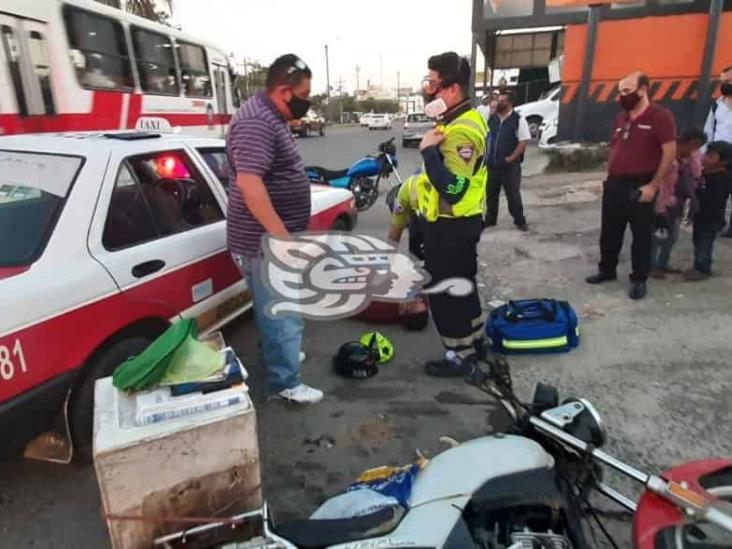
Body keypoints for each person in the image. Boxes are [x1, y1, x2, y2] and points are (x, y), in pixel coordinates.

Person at [225, 54, 322, 404]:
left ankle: (281, 357)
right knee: (283, 310)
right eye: (305, 94)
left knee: (274, 308)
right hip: (265, 242)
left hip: (266, 239)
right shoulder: (257, 122)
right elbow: (251, 186)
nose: (307, 101)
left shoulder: (271, 115)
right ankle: (286, 383)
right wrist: (282, 239)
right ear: (283, 90)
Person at [416, 52, 489, 377]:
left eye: (433, 84)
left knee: (448, 295)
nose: (427, 91)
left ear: (453, 89)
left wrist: (429, 151)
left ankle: (459, 356)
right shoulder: (457, 121)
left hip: (453, 227)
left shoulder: (460, 132)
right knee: (464, 288)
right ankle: (476, 344)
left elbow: (454, 189)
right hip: (457, 223)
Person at [585, 72, 677, 300]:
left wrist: (653, 186)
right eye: (620, 91)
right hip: (615, 184)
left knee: (641, 235)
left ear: (643, 89)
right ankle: (607, 270)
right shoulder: (620, 119)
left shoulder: (660, 116)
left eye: (627, 91)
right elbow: (615, 148)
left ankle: (638, 279)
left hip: (641, 184)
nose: (622, 96)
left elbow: (669, 153)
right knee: (609, 232)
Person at [650, 127, 707, 278]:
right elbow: (660, 184)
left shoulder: (686, 158)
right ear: (690, 142)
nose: (696, 151)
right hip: (662, 203)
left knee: (672, 236)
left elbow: (697, 172)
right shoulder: (668, 158)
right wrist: (660, 209)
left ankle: (662, 263)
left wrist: (692, 155)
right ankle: (651, 266)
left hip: (677, 202)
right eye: (695, 147)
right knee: (657, 236)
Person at [684, 141, 732, 281]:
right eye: (706, 154)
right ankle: (699, 265)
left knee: (705, 242)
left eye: (711, 156)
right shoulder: (703, 173)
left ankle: (702, 269)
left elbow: (714, 197)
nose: (705, 157)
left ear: (723, 161)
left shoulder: (723, 178)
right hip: (700, 215)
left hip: (712, 217)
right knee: (697, 240)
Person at [485, 90, 531, 231]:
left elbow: (523, 141)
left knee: (513, 194)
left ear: (510, 103)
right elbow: (486, 137)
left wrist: (511, 158)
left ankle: (519, 220)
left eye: (502, 101)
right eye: (498, 100)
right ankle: (490, 220)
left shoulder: (518, 120)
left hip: (509, 166)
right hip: (492, 164)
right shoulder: (492, 119)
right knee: (491, 194)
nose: (499, 103)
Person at [703, 66, 732, 236]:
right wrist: (704, 155)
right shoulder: (716, 105)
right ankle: (717, 223)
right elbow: (708, 130)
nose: (724, 85)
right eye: (722, 82)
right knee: (717, 192)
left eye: (728, 81)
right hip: (719, 155)